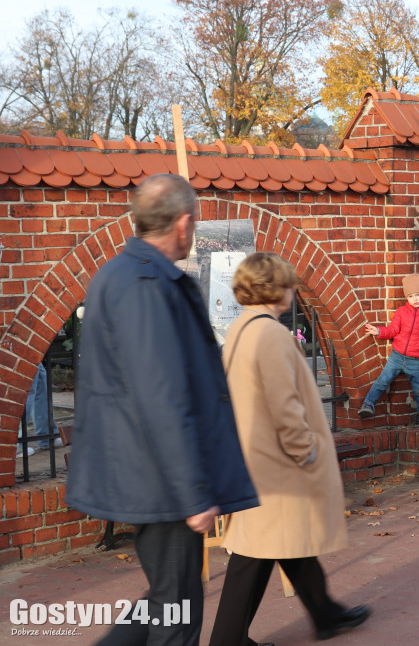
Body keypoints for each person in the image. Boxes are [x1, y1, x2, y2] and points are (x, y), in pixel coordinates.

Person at [67, 173, 258, 646]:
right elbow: (161, 395)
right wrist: (194, 491)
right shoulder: (148, 282)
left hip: (146, 470)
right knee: (175, 612)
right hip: (162, 478)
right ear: (184, 223)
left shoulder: (119, 273)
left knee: (167, 600)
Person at [209, 253, 370, 644]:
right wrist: (306, 450)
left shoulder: (243, 330)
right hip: (280, 462)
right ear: (273, 287)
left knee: (282, 542)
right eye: (288, 283)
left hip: (261, 457)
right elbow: (285, 405)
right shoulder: (270, 335)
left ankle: (326, 613)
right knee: (256, 553)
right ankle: (227, 639)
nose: (294, 290)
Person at [358, 274, 419, 426]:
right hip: (397, 356)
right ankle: (368, 404)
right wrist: (379, 331)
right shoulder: (402, 312)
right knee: (383, 380)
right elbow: (393, 330)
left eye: (418, 295)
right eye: (410, 296)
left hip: (416, 361)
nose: (415, 299)